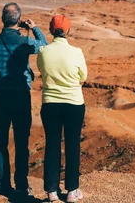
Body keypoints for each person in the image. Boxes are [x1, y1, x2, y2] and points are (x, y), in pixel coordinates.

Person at [0, 2, 48, 197]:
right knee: (21, 141)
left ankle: (3, 184)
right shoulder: (25, 42)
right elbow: (44, 45)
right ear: (19, 20)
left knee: (1, 140)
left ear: (2, 19)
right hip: (21, 96)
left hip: (0, 97)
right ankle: (21, 184)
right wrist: (33, 28)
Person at [37, 14, 87, 202]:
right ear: (68, 30)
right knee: (73, 145)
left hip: (50, 104)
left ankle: (52, 192)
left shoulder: (43, 52)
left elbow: (43, 71)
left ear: (51, 30)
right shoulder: (77, 52)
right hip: (74, 103)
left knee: (52, 145)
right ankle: (72, 191)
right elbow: (83, 76)